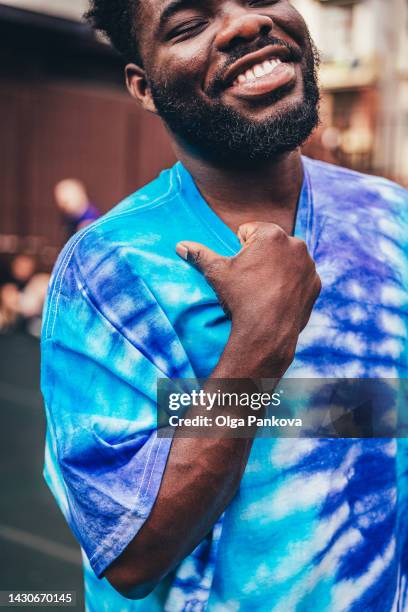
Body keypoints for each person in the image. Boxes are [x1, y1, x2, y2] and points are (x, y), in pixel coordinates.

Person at [41, 1, 408, 611]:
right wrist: (260, 343)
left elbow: (378, 417)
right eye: (189, 24)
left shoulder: (390, 217)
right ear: (145, 86)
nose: (245, 24)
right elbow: (131, 558)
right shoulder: (108, 270)